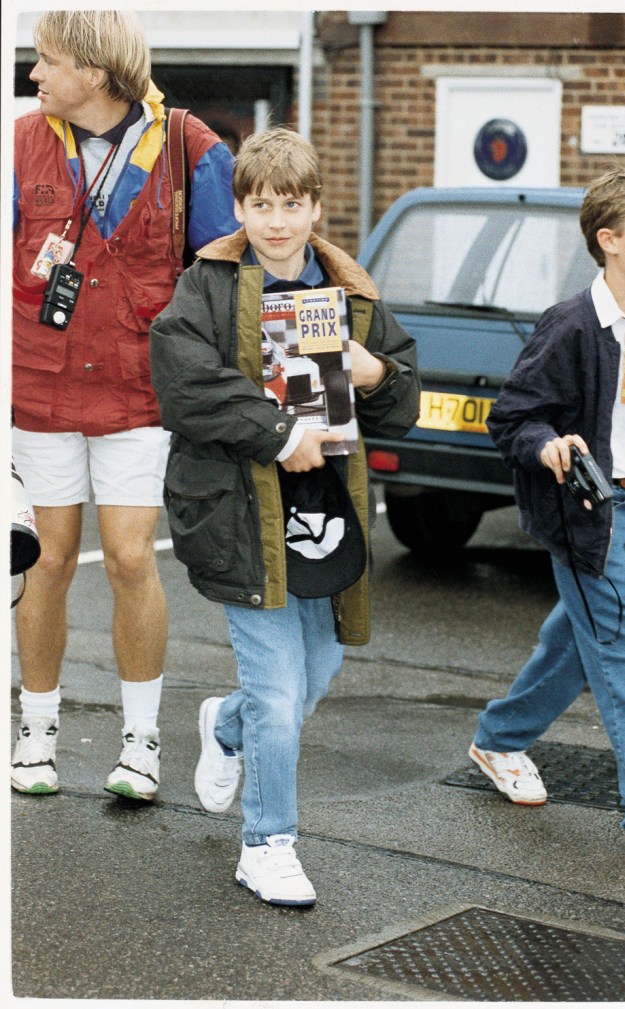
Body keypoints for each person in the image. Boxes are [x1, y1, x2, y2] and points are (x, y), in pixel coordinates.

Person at [149, 127, 420, 905]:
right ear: (238, 207)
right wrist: (280, 433)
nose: (276, 222)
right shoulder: (206, 283)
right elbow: (184, 387)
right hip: (240, 513)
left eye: (291, 205)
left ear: (315, 209)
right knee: (278, 689)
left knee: (314, 674)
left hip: (327, 513)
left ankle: (226, 725)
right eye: (260, 205)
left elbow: (403, 398)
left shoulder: (350, 290)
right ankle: (267, 843)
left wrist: (377, 372)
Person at [11, 10, 239, 801]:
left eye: (47, 62)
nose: (34, 76)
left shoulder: (191, 147)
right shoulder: (20, 142)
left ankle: (141, 741)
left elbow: (225, 278)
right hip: (37, 382)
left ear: (97, 72)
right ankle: (36, 729)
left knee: (134, 557)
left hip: (140, 389)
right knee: (48, 557)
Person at [468, 167, 625, 860]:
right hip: (591, 513)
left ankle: (498, 738)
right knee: (621, 655)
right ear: (610, 240)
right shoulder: (573, 325)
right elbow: (513, 418)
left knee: (573, 646)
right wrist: (549, 444)